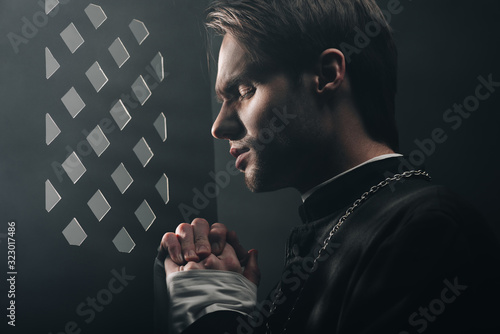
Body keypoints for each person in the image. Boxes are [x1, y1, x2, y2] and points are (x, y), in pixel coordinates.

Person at [154, 0, 500, 333]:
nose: (218, 126)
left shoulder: (430, 231)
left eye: (244, 90)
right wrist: (231, 309)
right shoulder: (336, 232)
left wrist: (210, 319)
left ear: (327, 74)